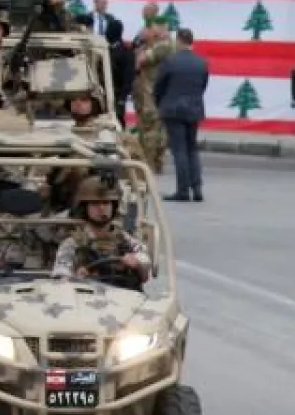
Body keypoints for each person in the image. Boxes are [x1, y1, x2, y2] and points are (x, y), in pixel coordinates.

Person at [51, 176, 152, 290]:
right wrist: (74, 278)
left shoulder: (126, 240)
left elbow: (145, 262)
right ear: (84, 208)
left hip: (125, 298)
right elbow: (60, 275)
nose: (101, 208)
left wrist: (136, 262)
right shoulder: (72, 244)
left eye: (106, 203)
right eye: (95, 204)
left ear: (113, 207)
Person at [155, 27, 209, 203]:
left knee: (179, 150)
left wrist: (160, 103)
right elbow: (203, 85)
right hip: (194, 109)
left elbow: (159, 86)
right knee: (192, 148)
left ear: (178, 41)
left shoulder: (171, 61)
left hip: (174, 109)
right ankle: (197, 187)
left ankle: (183, 190)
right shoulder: (201, 62)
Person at [133, 18, 174, 173]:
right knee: (156, 130)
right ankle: (155, 163)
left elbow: (140, 61)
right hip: (156, 94)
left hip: (152, 95)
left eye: (150, 28)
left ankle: (149, 165)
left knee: (150, 131)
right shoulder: (166, 44)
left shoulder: (162, 46)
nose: (147, 32)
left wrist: (141, 49)